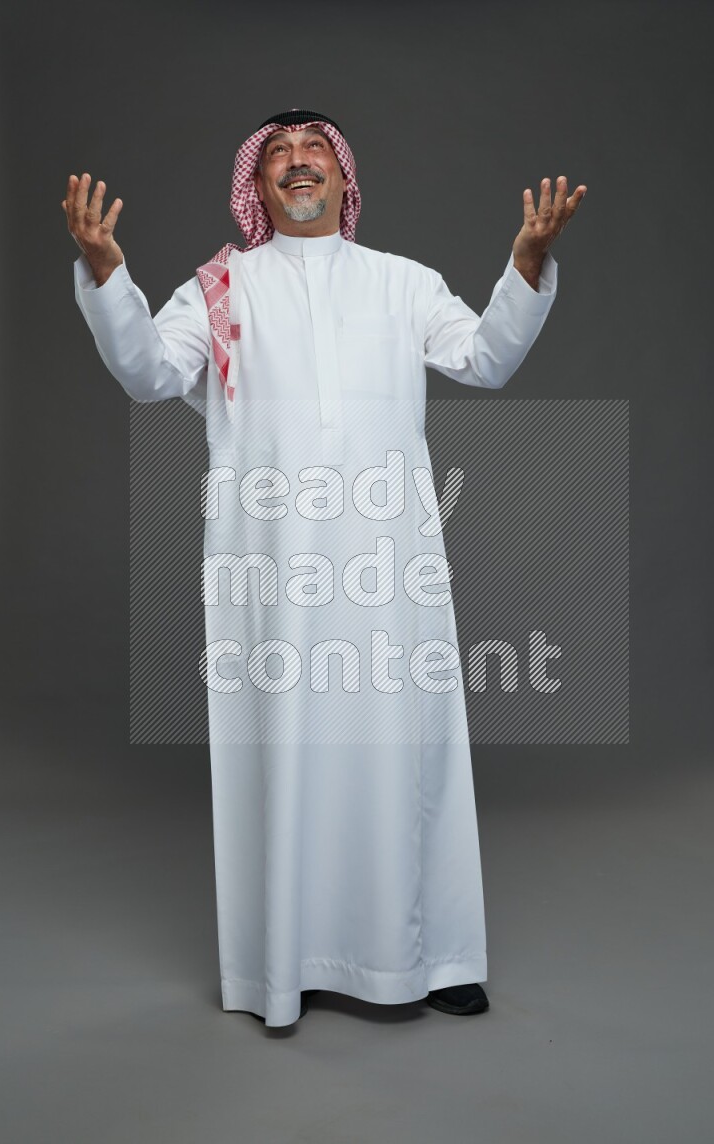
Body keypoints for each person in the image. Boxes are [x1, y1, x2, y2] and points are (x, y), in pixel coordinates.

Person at [64, 108, 586, 1028]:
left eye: (315, 151)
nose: (298, 163)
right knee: (284, 748)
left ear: (345, 178)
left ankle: (434, 956)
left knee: (407, 749)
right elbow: (150, 375)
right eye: (279, 154)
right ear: (257, 185)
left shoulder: (402, 282)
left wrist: (527, 264)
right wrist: (108, 274)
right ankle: (288, 961)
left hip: (388, 566)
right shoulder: (220, 289)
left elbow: (486, 359)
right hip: (271, 572)